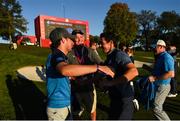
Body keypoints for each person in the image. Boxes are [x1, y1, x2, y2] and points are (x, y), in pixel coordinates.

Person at [45, 28, 114, 120]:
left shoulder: (59, 55)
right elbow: (64, 70)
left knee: (90, 110)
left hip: (64, 102)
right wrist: (97, 67)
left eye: (80, 37)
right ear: (63, 40)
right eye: (71, 38)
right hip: (58, 106)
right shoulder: (56, 55)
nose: (74, 41)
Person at [99, 32, 139, 120]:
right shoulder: (109, 56)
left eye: (103, 43)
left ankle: (132, 104)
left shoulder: (119, 54)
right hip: (114, 98)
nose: (101, 45)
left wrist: (110, 83)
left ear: (111, 43)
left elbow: (134, 71)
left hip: (124, 98)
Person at [67, 29, 103, 120]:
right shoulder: (69, 52)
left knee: (92, 110)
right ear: (73, 39)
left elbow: (102, 65)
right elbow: (66, 70)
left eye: (81, 37)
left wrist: (94, 79)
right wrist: (74, 79)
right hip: (75, 87)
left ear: (84, 38)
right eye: (76, 37)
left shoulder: (90, 51)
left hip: (88, 86)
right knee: (75, 111)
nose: (79, 39)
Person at [148, 39, 174, 120]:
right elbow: (159, 71)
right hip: (158, 85)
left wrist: (154, 78)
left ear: (161, 47)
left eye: (155, 47)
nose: (153, 49)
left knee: (157, 108)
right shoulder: (160, 56)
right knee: (155, 107)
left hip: (163, 85)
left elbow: (171, 74)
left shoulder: (166, 57)